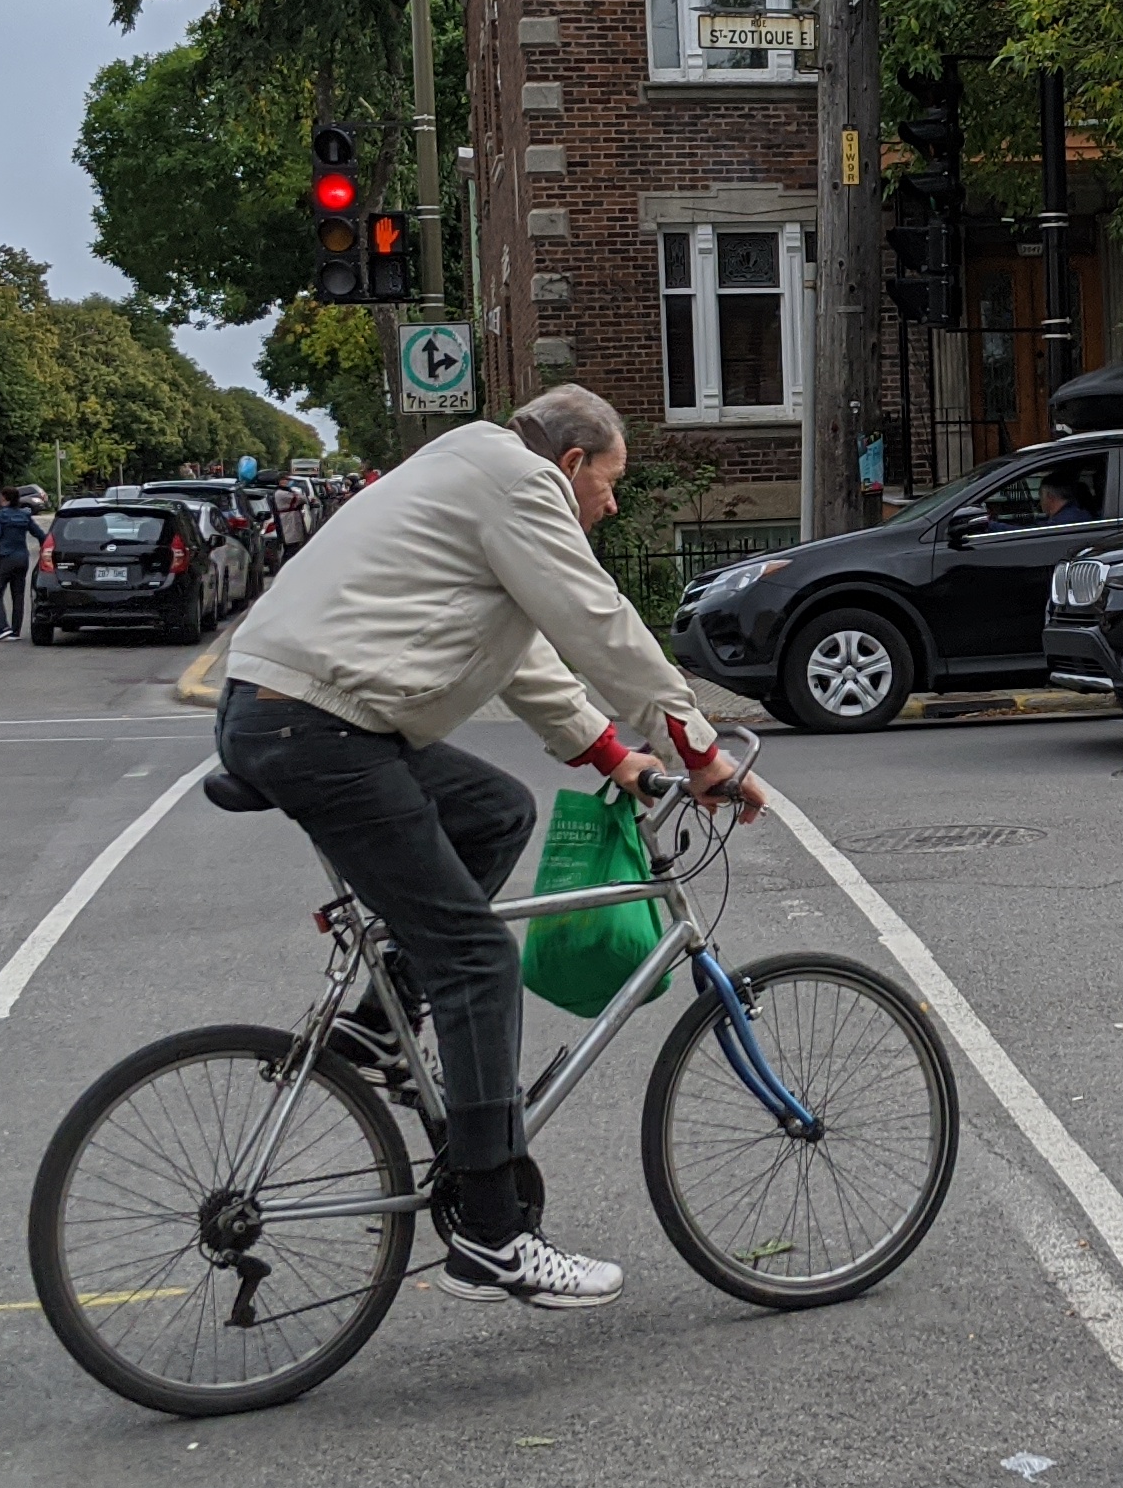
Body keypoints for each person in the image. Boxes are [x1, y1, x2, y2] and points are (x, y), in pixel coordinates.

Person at [213, 382, 761, 1309]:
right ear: (574, 463)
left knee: (497, 811)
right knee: (478, 962)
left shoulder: (467, 470)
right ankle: (496, 1235)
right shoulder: (517, 484)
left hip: (296, 717)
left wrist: (618, 756)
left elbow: (529, 663)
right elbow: (598, 624)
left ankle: (385, 1020)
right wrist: (698, 749)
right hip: (322, 731)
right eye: (612, 482)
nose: (613, 504)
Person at [0, 486, 41, 639]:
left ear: (5, 498)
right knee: (18, 595)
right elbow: (39, 533)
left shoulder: (0, 516)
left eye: (0, 496)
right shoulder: (25, 515)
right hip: (23, 559)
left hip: (6, 558)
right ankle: (16, 631)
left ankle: (3, 627)